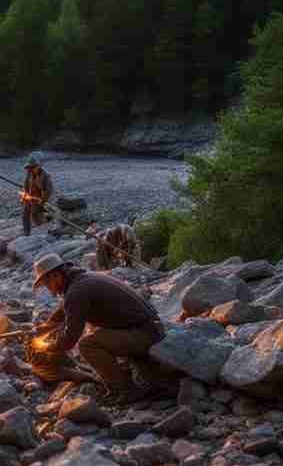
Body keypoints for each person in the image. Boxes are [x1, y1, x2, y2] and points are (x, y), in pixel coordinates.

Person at [31, 253, 173, 404]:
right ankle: (131, 375)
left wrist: (45, 347)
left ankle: (126, 390)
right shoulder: (82, 279)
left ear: (55, 276)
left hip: (145, 335)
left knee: (87, 344)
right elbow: (63, 311)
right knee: (95, 333)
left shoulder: (77, 291)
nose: (48, 289)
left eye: (46, 284)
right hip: (148, 329)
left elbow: (69, 340)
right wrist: (45, 327)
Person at [22, 157, 53, 236]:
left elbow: (48, 191)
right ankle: (26, 233)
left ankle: (42, 233)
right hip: (29, 198)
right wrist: (24, 195)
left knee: (36, 215)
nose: (29, 170)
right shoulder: (29, 173)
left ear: (37, 166)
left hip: (39, 199)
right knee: (25, 215)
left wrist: (42, 201)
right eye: (29, 168)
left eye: (31, 168)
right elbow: (25, 184)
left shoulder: (45, 176)